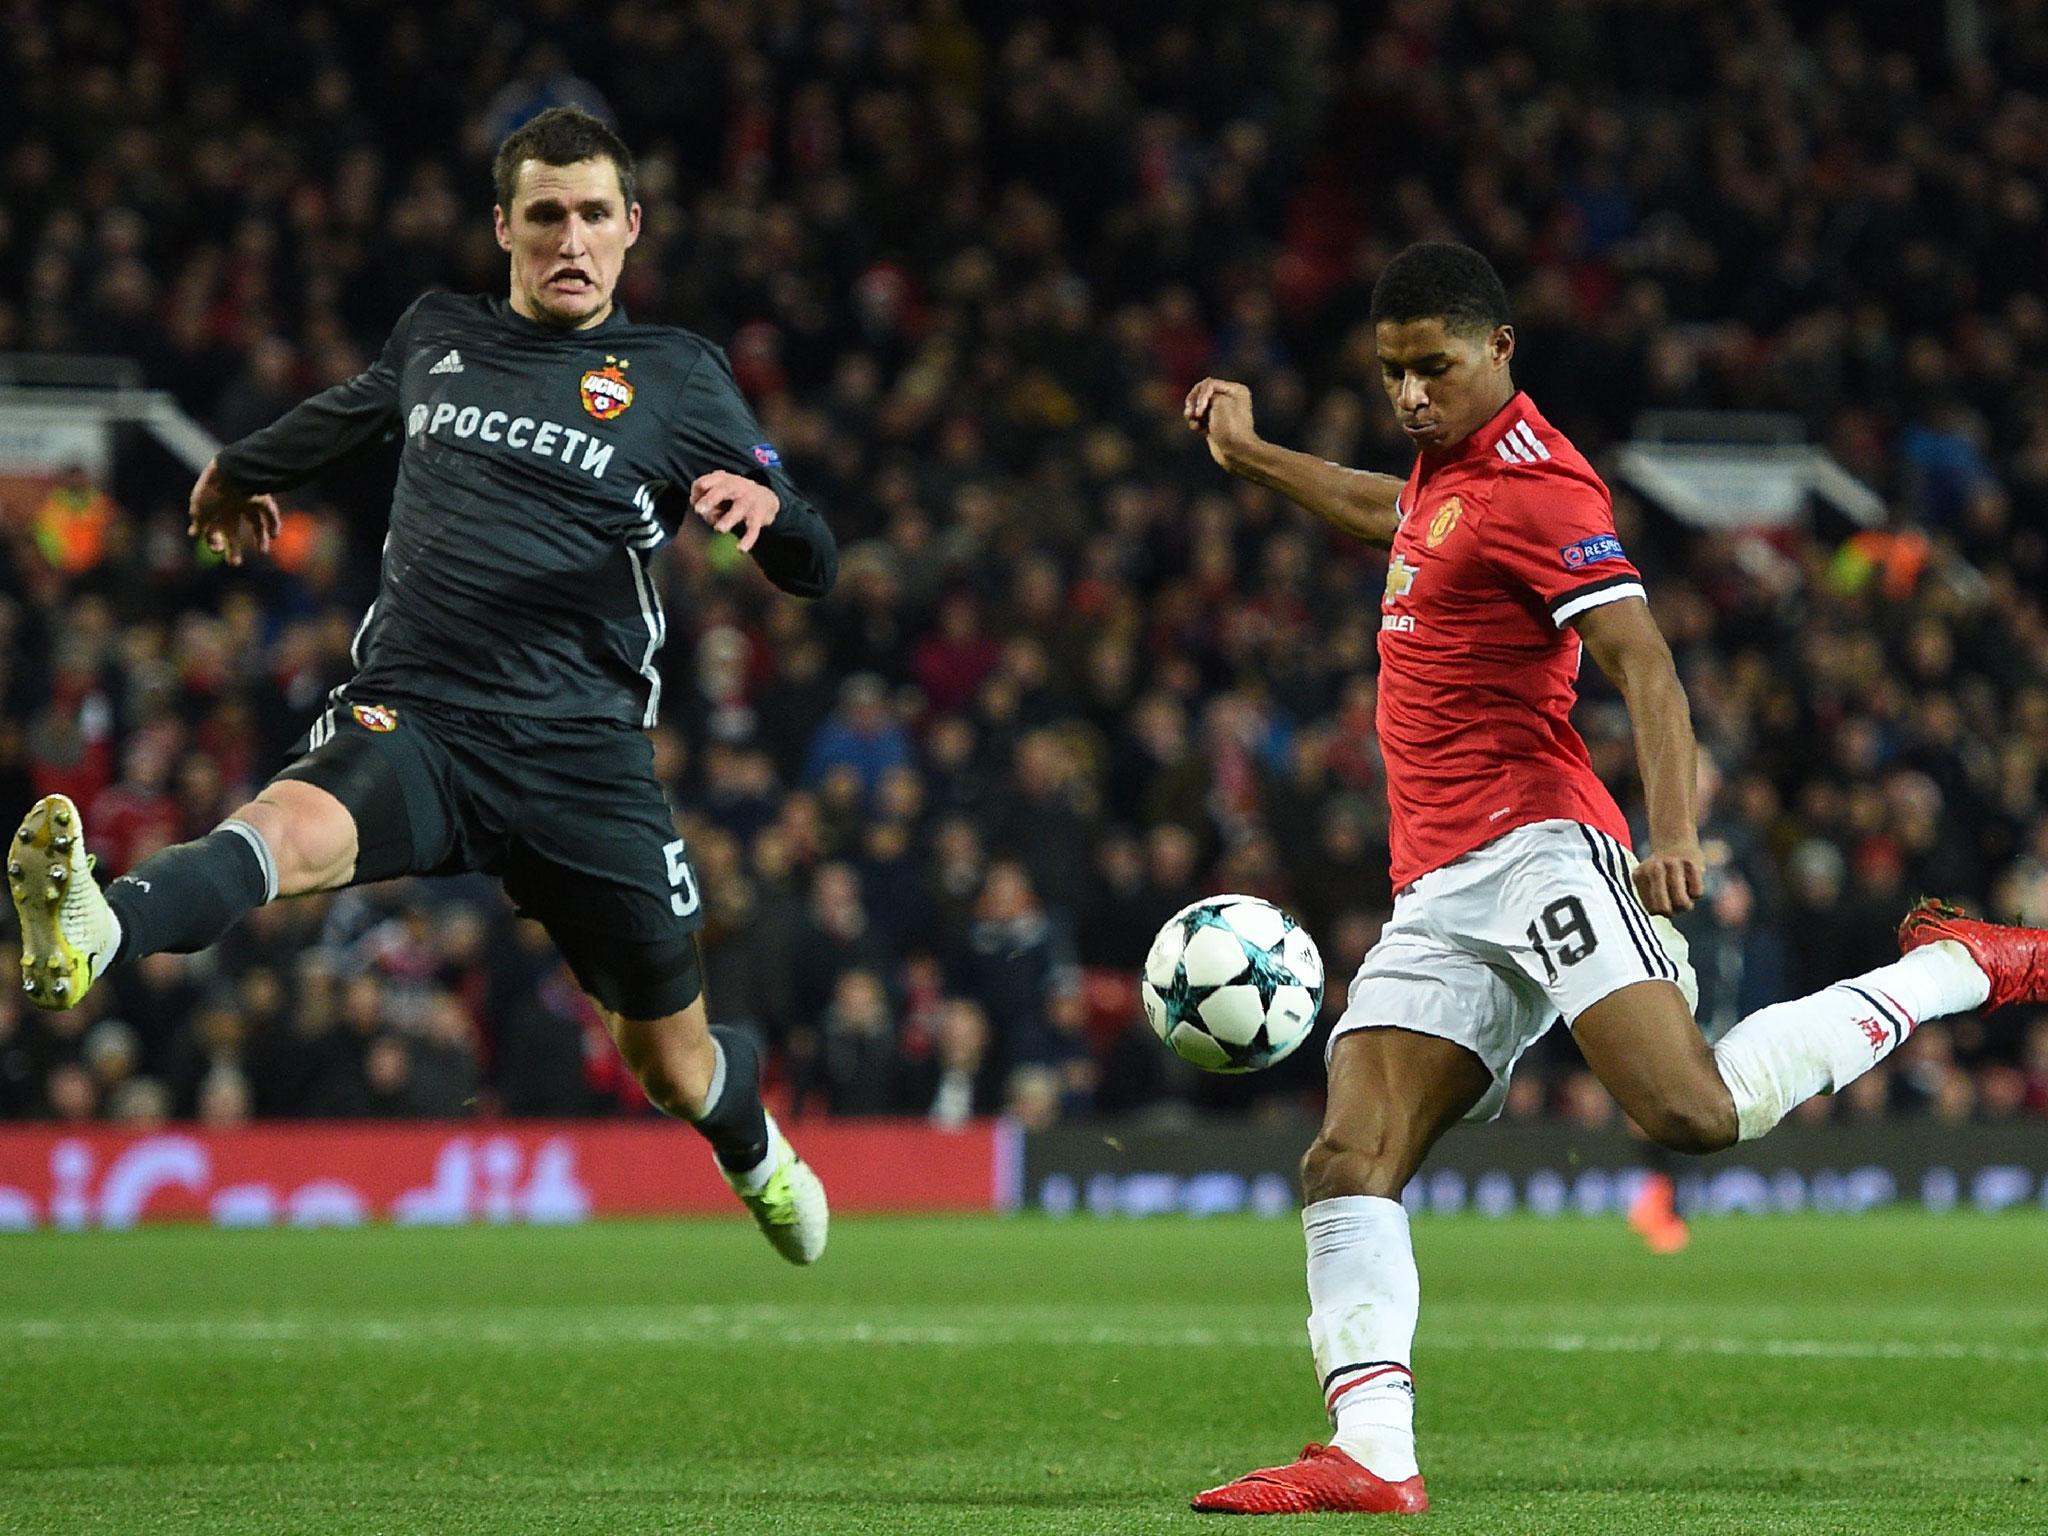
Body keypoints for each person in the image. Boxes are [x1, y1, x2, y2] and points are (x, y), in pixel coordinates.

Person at [1178, 241, 2048, 1515]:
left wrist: (1674, 824)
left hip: (1541, 850)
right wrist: (1250, 457)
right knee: (1345, 1160)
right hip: (1434, 887)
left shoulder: (1541, 487)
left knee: (1689, 1117)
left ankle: (1951, 969)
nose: (1410, 395)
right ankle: (1370, 1456)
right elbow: (1396, 516)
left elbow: (1644, 663)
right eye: (1390, 372)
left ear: (1498, 353)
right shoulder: (1443, 473)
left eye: (1433, 368)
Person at [6, 107, 836, 1264]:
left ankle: (746, 1137)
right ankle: (103, 925)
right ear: (502, 226)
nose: (569, 240)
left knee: (669, 1066)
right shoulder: (439, 335)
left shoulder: (678, 378)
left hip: (582, 757)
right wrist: (233, 473)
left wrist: (774, 518)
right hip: (424, 714)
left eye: (594, 214)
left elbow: (815, 556)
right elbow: (349, 414)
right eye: (544, 215)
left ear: (631, 227)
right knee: (287, 830)